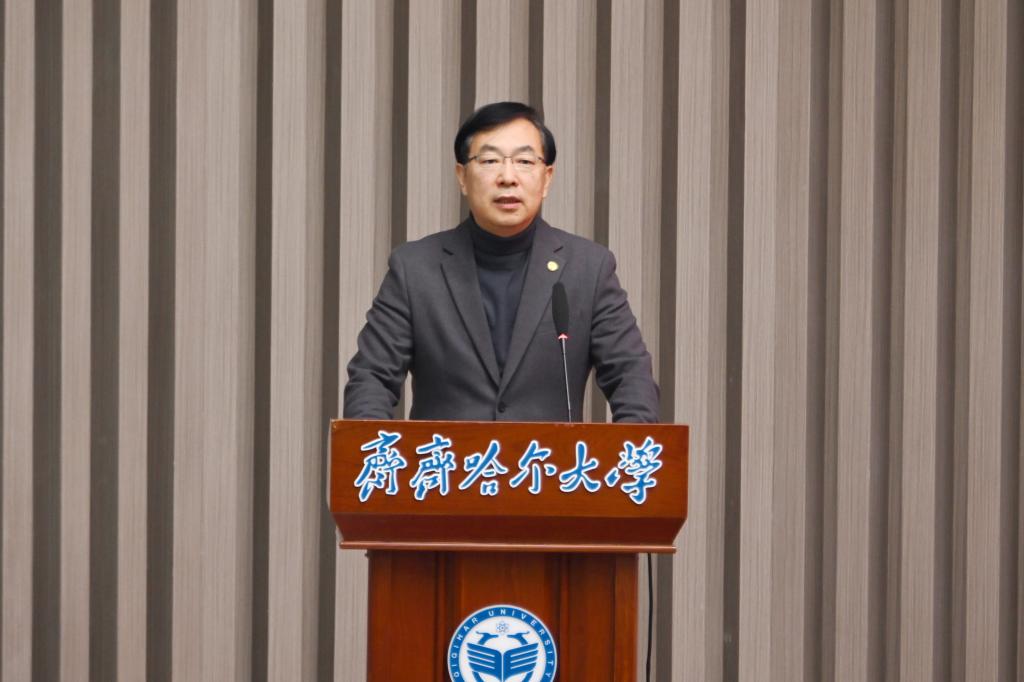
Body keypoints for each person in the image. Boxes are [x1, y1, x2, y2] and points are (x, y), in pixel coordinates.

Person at [343, 101, 658, 423]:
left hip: (546, 457)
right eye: (490, 160)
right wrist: (374, 446)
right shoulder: (415, 268)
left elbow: (631, 377)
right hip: (448, 456)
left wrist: (626, 449)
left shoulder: (588, 268)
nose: (508, 177)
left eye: (524, 161)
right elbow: (371, 378)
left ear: (547, 178)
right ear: (462, 176)